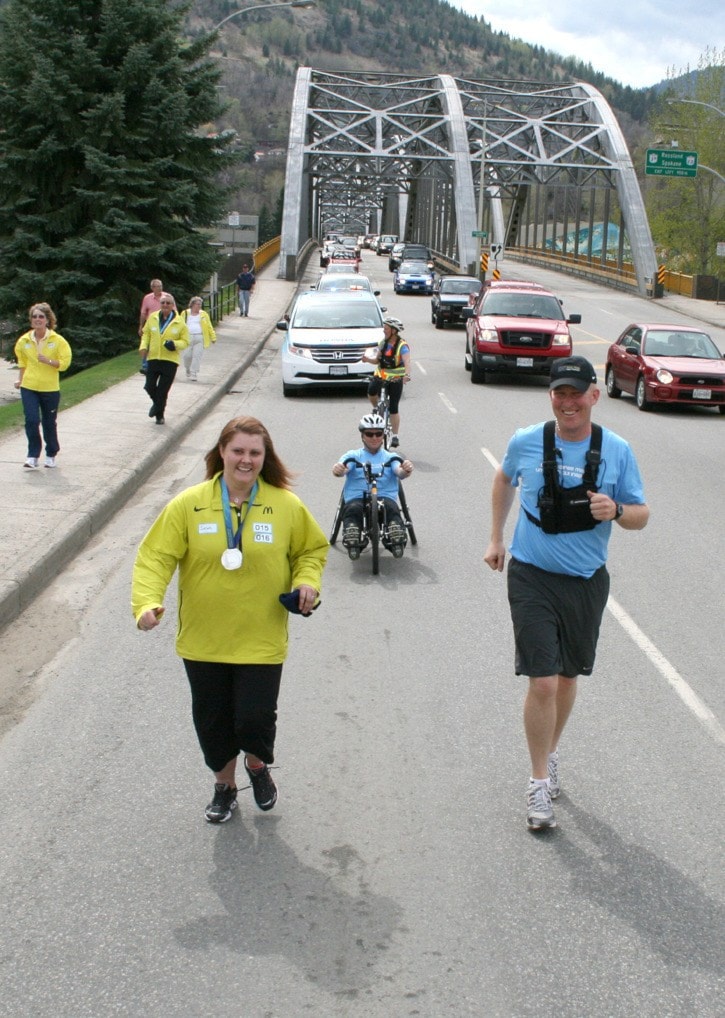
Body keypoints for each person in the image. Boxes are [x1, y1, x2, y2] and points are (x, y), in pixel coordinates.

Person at [132, 416, 328, 823]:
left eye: (255, 452)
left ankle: (257, 767)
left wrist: (307, 582)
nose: (246, 459)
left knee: (255, 717)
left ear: (264, 457)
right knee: (213, 720)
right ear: (221, 452)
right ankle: (224, 785)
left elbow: (311, 550)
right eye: (238, 450)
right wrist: (147, 602)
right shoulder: (190, 504)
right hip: (204, 640)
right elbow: (156, 555)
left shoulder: (284, 505)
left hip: (261, 638)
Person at [483, 356, 649, 832]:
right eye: (559, 393)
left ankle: (550, 754)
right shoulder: (526, 441)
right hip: (531, 574)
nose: (568, 402)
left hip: (586, 581)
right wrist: (496, 538)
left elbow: (642, 514)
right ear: (550, 396)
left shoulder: (617, 451)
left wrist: (615, 509)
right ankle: (538, 784)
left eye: (576, 393)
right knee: (543, 681)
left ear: (594, 396)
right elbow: (503, 477)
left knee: (568, 676)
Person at [332, 413, 413, 560]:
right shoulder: (353, 455)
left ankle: (395, 538)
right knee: (352, 510)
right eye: (370, 434)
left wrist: (406, 469)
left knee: (391, 509)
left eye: (378, 434)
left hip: (384, 497)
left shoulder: (390, 457)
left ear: (383, 435)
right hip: (357, 497)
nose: (374, 438)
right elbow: (343, 469)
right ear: (362, 436)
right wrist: (338, 470)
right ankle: (353, 537)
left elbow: (399, 472)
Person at [13, 302, 72, 469]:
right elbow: (22, 363)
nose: (37, 319)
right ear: (31, 320)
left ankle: (51, 453)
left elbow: (65, 363)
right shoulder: (24, 341)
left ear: (47, 320)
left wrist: (49, 361)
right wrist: (20, 379)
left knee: (48, 422)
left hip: (50, 388)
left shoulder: (58, 341)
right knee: (31, 420)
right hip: (29, 386)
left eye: (41, 317)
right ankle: (32, 455)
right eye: (34, 317)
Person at [139, 294, 189, 425]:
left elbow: (185, 341)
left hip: (170, 361)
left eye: (168, 303)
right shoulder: (153, 318)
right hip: (154, 358)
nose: (165, 305)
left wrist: (174, 344)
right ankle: (157, 406)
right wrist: (143, 347)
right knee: (149, 386)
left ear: (173, 305)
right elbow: (146, 335)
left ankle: (159, 416)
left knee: (162, 390)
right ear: (160, 305)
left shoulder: (179, 322)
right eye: (163, 303)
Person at [363, 316, 411, 449]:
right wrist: (368, 360)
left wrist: (406, 375)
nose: (384, 331)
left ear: (394, 331)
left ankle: (395, 436)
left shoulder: (402, 346)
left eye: (386, 329)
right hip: (381, 375)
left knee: (394, 407)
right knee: (371, 392)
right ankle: (375, 408)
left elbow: (407, 361)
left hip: (395, 379)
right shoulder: (383, 343)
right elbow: (377, 360)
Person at [180, 297, 216, 381]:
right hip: (188, 337)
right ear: (192, 304)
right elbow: (180, 325)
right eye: (197, 304)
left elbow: (209, 326)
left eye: (200, 304)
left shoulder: (204, 314)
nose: (199, 306)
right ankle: (187, 368)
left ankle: (194, 373)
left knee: (197, 356)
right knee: (187, 356)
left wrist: (213, 336)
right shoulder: (185, 313)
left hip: (199, 337)